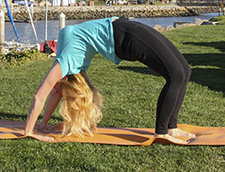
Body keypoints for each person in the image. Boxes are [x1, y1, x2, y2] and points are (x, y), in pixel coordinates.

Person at [24, 16, 196, 143]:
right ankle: (162, 132)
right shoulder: (67, 61)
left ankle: (171, 128)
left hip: (127, 28)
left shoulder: (65, 61)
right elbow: (42, 95)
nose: (56, 91)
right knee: (176, 75)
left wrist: (43, 124)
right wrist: (29, 131)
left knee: (185, 71)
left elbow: (50, 93)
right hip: (125, 37)